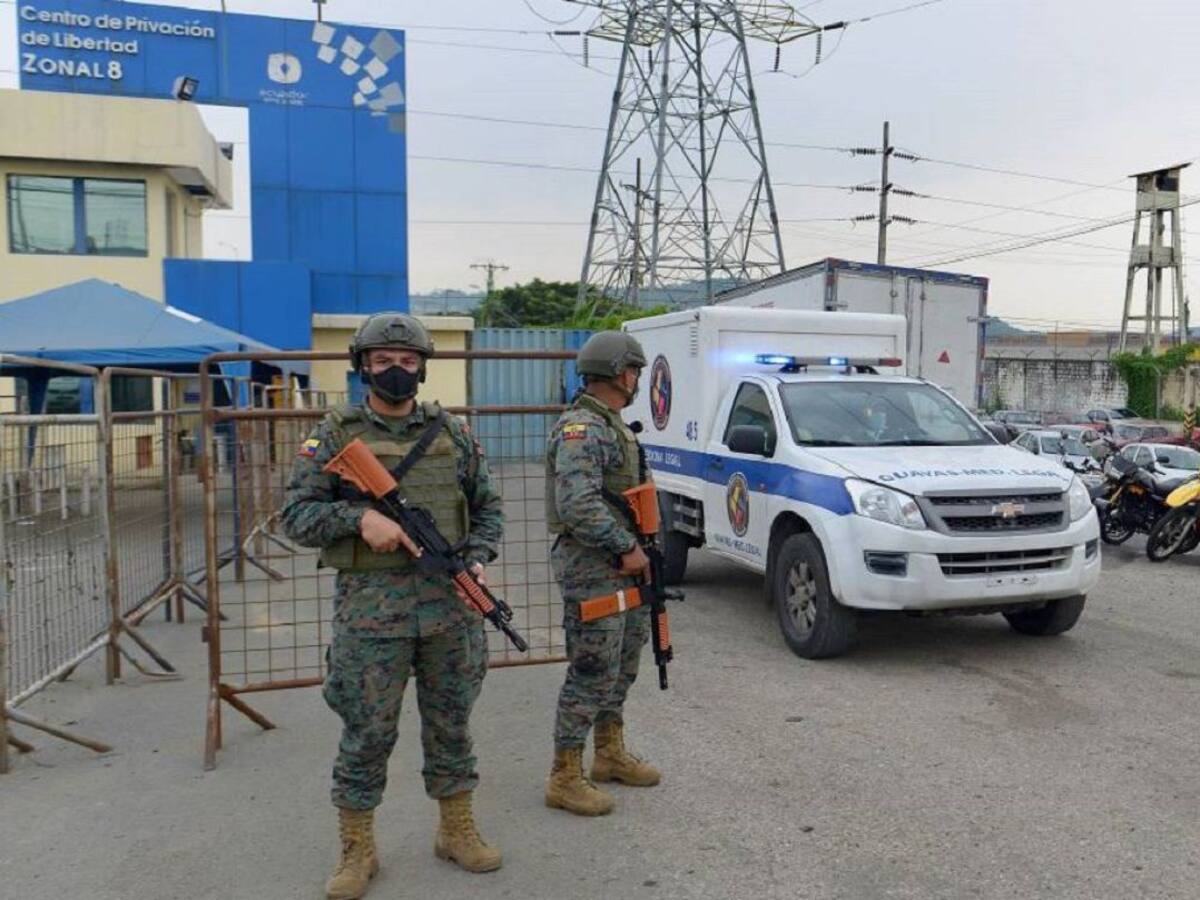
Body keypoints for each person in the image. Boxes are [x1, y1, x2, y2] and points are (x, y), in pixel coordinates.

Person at [280, 313, 504, 899]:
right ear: (363, 366)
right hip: (371, 617)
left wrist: (477, 556)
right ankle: (357, 850)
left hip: (450, 613)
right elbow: (295, 517)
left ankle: (455, 830)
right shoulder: (333, 434)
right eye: (383, 361)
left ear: (423, 367)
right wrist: (360, 518)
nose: (397, 371)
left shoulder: (452, 433)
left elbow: (488, 509)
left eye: (407, 362)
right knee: (367, 732)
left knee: (452, 726)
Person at [543, 330, 662, 817]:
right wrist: (625, 547)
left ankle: (608, 753)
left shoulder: (612, 425)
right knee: (591, 670)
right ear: (619, 373)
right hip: (593, 567)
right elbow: (577, 505)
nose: (636, 380)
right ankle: (564, 776)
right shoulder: (583, 429)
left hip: (623, 567)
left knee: (622, 662)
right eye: (634, 371)